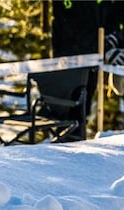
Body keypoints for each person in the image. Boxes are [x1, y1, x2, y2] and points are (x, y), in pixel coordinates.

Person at [50, 0, 111, 138]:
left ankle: (78, 140)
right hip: (66, 59)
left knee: (84, 106)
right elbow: (58, 23)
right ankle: (65, 141)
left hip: (91, 58)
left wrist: (109, 42)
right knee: (65, 107)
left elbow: (110, 17)